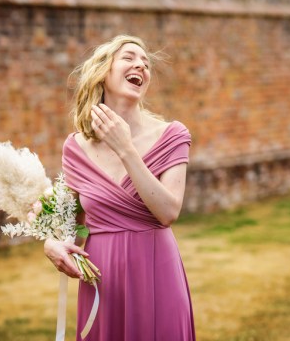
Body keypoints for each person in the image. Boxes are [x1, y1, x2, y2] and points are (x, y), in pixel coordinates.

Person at [44, 34, 195, 340]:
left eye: (146, 62)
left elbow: (168, 211)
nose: (141, 64)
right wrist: (52, 244)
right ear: (103, 72)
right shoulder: (75, 147)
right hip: (103, 280)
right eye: (129, 57)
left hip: (157, 273)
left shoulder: (173, 135)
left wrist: (126, 149)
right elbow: (72, 227)